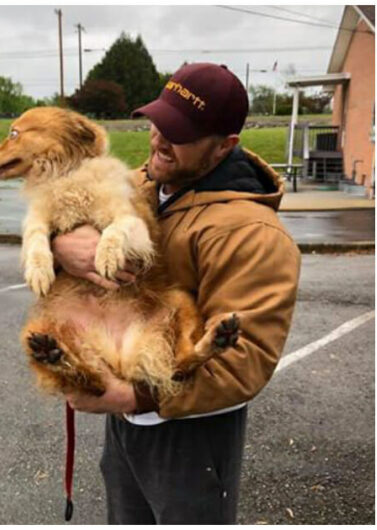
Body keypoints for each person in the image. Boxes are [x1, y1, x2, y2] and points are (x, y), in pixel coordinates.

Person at [51, 62, 301, 524]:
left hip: (191, 431)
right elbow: (63, 213)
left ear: (225, 146)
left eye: (180, 133)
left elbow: (243, 359)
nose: (159, 140)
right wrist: (61, 247)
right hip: (125, 420)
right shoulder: (144, 185)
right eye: (158, 123)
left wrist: (130, 395)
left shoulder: (254, 234)